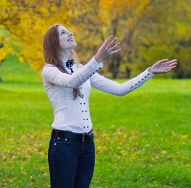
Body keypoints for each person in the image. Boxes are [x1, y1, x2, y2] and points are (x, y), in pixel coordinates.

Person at [42, 24, 177, 188]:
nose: (70, 33)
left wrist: (149, 72)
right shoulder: (49, 71)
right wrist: (97, 59)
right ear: (53, 42)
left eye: (68, 30)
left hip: (87, 145)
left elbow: (119, 89)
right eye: (63, 32)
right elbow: (72, 82)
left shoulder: (81, 69)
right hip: (64, 144)